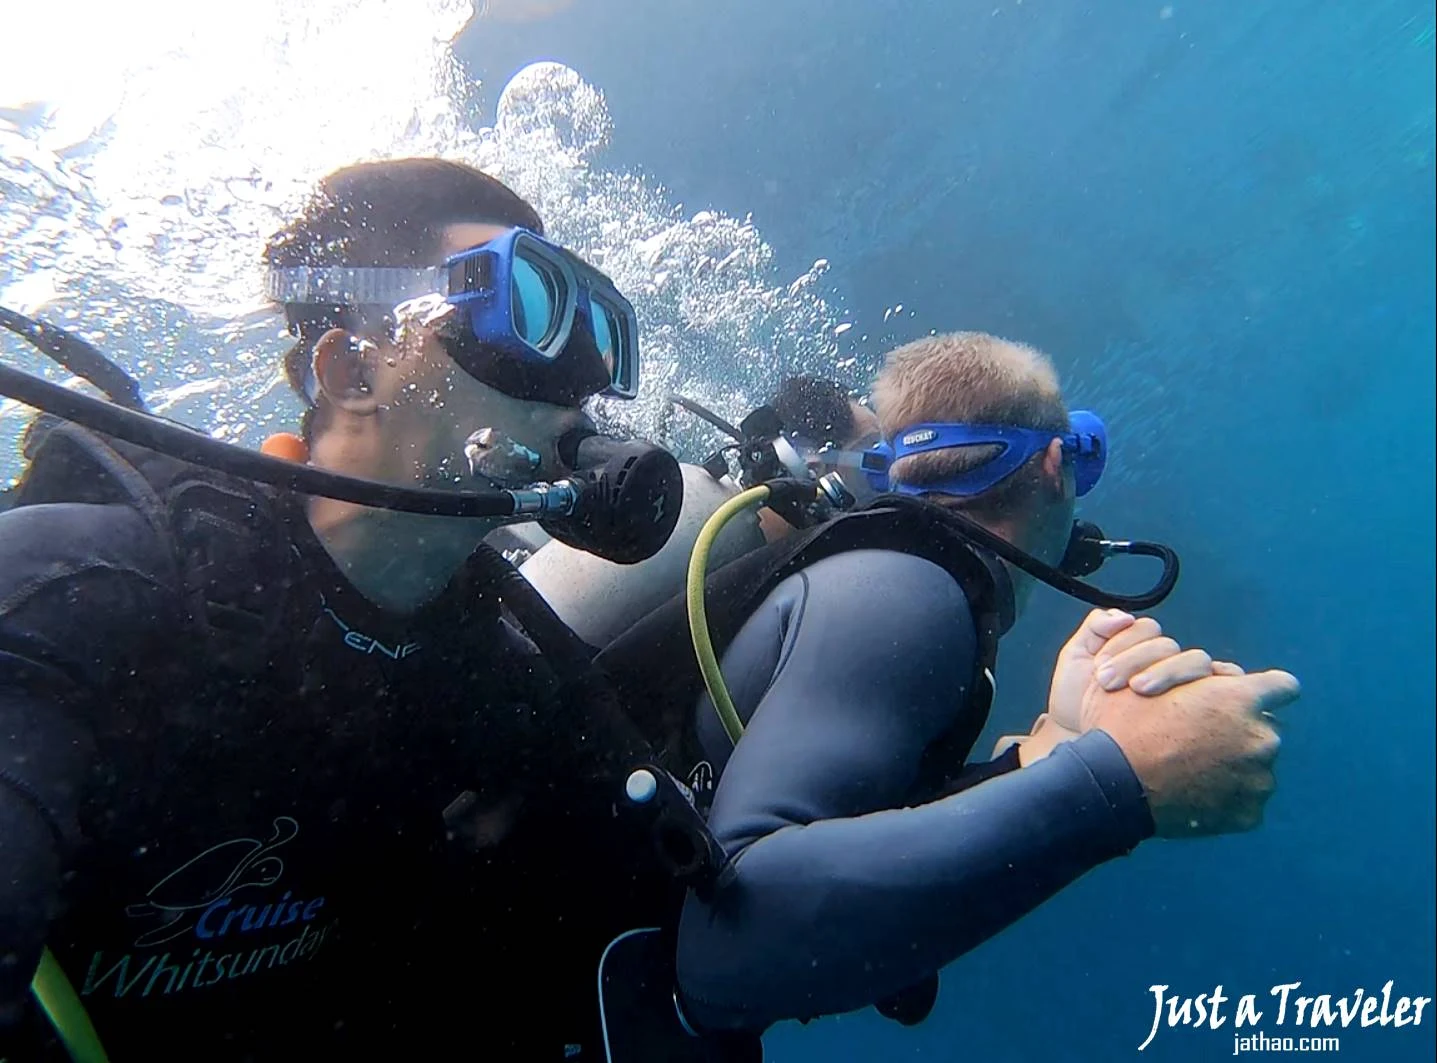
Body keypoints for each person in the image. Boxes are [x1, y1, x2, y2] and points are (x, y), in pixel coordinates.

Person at [0, 157, 695, 1062]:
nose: (578, 379)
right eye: (525, 302)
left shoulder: (499, 679)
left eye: (601, 335)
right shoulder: (86, 591)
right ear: (350, 367)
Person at [604, 331, 1300, 1038]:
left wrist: (1039, 757)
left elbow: (848, 829)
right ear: (1059, 464)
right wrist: (1120, 778)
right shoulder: (909, 595)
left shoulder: (904, 584)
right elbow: (726, 949)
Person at [519, 373, 880, 648]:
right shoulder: (718, 527)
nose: (880, 482)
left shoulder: (722, 516)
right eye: (871, 462)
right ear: (807, 467)